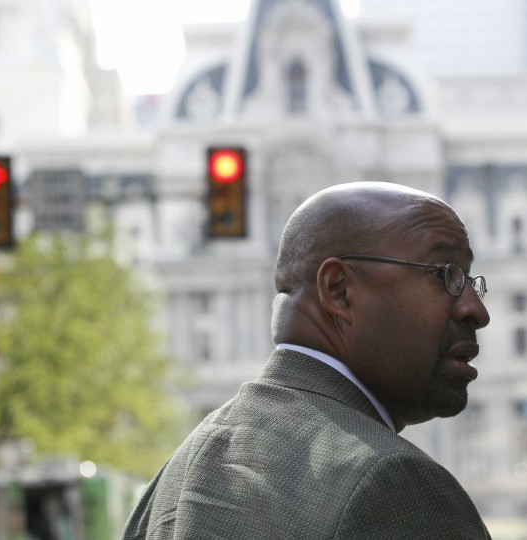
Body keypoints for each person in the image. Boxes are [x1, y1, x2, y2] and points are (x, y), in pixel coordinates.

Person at [122, 182, 492, 539]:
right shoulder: (392, 484)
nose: (475, 309)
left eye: (472, 282)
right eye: (445, 275)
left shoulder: (176, 477)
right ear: (339, 291)